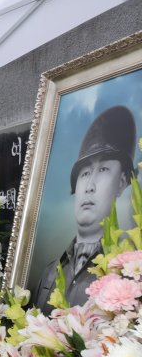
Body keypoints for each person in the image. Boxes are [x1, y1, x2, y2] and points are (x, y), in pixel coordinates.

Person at [32, 105, 137, 315]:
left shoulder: (131, 273)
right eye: (85, 172)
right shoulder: (50, 272)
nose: (90, 185)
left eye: (104, 169)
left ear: (122, 181)